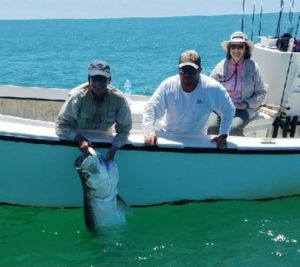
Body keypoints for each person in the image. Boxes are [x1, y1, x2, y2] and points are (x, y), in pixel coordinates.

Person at [143, 50, 235, 150]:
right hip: (168, 135)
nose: (187, 74)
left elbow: (229, 109)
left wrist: (223, 135)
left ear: (200, 70)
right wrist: (149, 132)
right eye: (183, 70)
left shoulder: (212, 88)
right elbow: (150, 109)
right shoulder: (168, 85)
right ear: (178, 70)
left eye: (191, 70)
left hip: (197, 139)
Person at [55, 60, 132, 161]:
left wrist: (114, 148)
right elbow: (60, 126)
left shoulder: (119, 100)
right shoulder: (77, 98)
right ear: (89, 79)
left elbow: (125, 130)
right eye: (94, 79)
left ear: (109, 80)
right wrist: (78, 139)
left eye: (102, 79)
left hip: (104, 143)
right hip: (77, 144)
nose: (98, 83)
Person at [208, 31, 267, 136]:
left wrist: (245, 104)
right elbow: (209, 87)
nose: (236, 50)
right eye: (233, 46)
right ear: (229, 49)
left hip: (244, 109)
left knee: (233, 128)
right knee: (211, 127)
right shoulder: (220, 66)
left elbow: (261, 92)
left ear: (245, 49)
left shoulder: (253, 67)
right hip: (221, 107)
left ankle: (234, 151)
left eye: (240, 47)